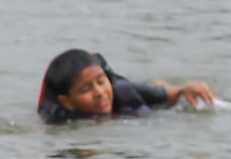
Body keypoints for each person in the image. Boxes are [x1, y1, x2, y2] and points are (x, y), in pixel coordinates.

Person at [38, 49, 215, 123]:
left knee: (157, 91)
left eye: (101, 82)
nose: (99, 93)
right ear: (68, 102)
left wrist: (187, 89)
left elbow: (177, 94)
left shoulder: (124, 91)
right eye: (86, 89)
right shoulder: (60, 120)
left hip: (132, 103)